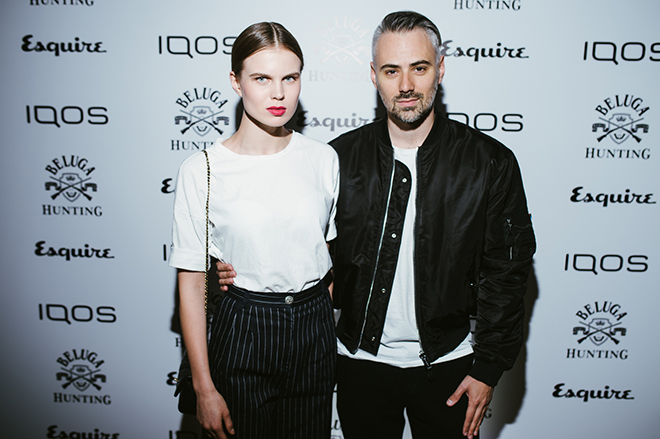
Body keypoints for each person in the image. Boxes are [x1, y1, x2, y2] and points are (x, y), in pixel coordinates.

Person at [218, 10, 536, 439]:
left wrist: (489, 367)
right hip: (358, 366)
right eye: (391, 71)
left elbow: (507, 272)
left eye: (419, 68)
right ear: (374, 75)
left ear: (440, 69)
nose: (405, 85)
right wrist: (231, 270)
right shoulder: (337, 159)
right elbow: (300, 248)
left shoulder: (489, 162)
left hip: (450, 367)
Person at [170, 22, 338, 439]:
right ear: (236, 81)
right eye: (262, 78)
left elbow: (325, 254)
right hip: (244, 325)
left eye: (290, 78)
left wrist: (320, 319)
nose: (278, 93)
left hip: (314, 328)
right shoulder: (202, 170)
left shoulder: (323, 158)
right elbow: (192, 282)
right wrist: (203, 387)